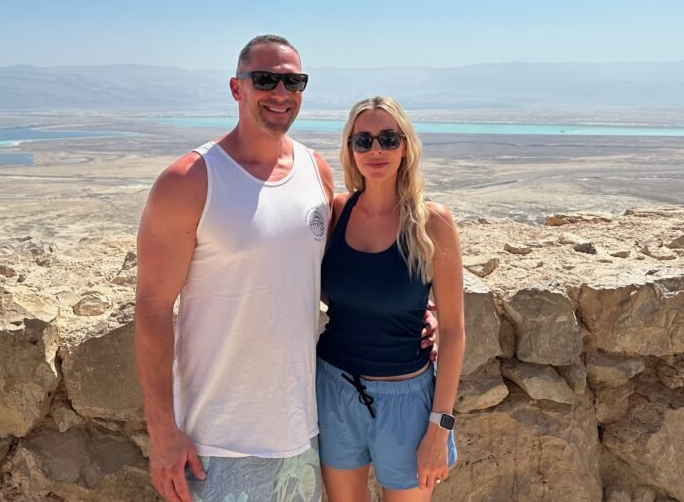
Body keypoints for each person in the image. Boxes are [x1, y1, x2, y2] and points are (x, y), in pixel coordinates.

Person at [135, 34, 333, 502]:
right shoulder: (190, 180)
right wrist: (162, 432)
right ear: (236, 87)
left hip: (301, 433)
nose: (281, 93)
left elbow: (334, 277)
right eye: (265, 79)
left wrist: (419, 312)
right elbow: (153, 309)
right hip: (216, 443)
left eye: (293, 81)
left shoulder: (315, 172)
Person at [315, 96, 464, 502]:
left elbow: (452, 330)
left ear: (406, 146)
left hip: (407, 403)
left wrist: (440, 426)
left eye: (388, 138)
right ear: (350, 150)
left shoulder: (432, 222)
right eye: (362, 141)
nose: (375, 150)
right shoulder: (338, 212)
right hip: (334, 390)